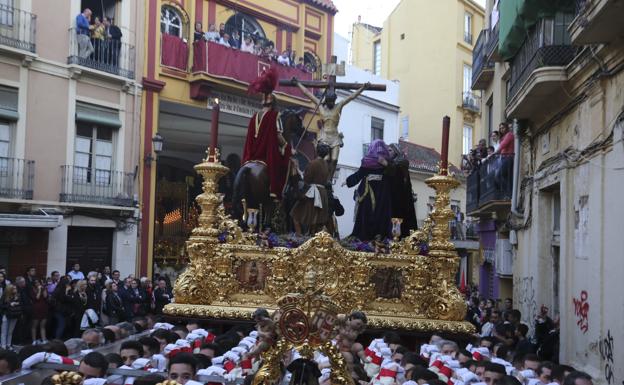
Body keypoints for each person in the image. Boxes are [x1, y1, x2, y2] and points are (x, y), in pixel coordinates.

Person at [295, 79, 369, 180]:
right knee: (326, 159)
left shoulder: (339, 106)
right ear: (326, 100)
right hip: (324, 137)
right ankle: (323, 177)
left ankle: (329, 179)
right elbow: (307, 93)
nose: (330, 103)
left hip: (334, 137)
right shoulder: (320, 106)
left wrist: (363, 88)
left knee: (334, 160)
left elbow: (352, 97)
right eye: (329, 101)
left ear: (334, 101)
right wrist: (298, 83)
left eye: (332, 101)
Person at [243, 67, 292, 200]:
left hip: (251, 157)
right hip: (265, 157)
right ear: (274, 103)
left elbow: (249, 139)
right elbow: (277, 135)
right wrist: (287, 147)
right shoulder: (275, 116)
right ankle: (275, 192)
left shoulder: (254, 116)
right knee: (282, 168)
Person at [343, 139, 393, 241]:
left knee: (381, 213)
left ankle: (379, 235)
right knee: (367, 212)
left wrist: (386, 164)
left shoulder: (388, 162)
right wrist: (348, 181)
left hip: (382, 193)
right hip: (370, 192)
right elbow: (359, 174)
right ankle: (365, 236)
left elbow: (394, 174)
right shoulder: (368, 162)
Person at [290, 143, 331, 235]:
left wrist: (297, 171)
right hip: (322, 193)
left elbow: (306, 180)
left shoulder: (313, 163)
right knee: (315, 218)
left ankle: (299, 236)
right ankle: (310, 236)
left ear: (317, 151)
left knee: (295, 214)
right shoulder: (326, 164)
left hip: (313, 193)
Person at [385, 143, 417, 237]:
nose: (388, 152)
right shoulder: (391, 163)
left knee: (400, 220)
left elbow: (396, 175)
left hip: (401, 197)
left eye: (390, 150)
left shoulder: (401, 163)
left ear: (396, 151)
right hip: (392, 196)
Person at [0, 285, 21, 349]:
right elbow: (1, 305)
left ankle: (8, 344)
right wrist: (10, 304)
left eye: (15, 288)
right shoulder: (5, 296)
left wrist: (17, 301)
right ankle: (3, 345)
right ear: (10, 289)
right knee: (4, 331)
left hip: (14, 315)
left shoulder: (17, 296)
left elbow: (20, 304)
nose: (15, 289)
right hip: (6, 315)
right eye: (13, 288)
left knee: (10, 331)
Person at [30, 279, 48, 344]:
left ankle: (43, 339)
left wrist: (44, 288)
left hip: (43, 308)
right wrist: (39, 290)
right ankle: (34, 340)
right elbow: (36, 298)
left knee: (42, 325)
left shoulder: (43, 288)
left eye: (38, 282)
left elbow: (45, 296)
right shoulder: (32, 290)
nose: (38, 284)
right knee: (34, 325)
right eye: (36, 283)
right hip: (36, 308)